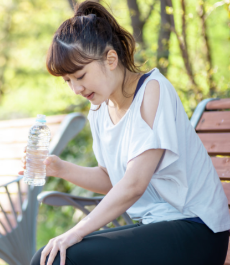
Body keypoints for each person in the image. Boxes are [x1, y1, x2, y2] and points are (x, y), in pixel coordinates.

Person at [18, 1, 230, 265]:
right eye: (67, 81)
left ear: (110, 59)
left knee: (62, 257)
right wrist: (59, 168)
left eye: (80, 76)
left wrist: (74, 232)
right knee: (49, 258)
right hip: (155, 226)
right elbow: (112, 179)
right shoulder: (99, 110)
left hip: (197, 229)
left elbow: (133, 185)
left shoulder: (152, 91)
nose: (75, 89)